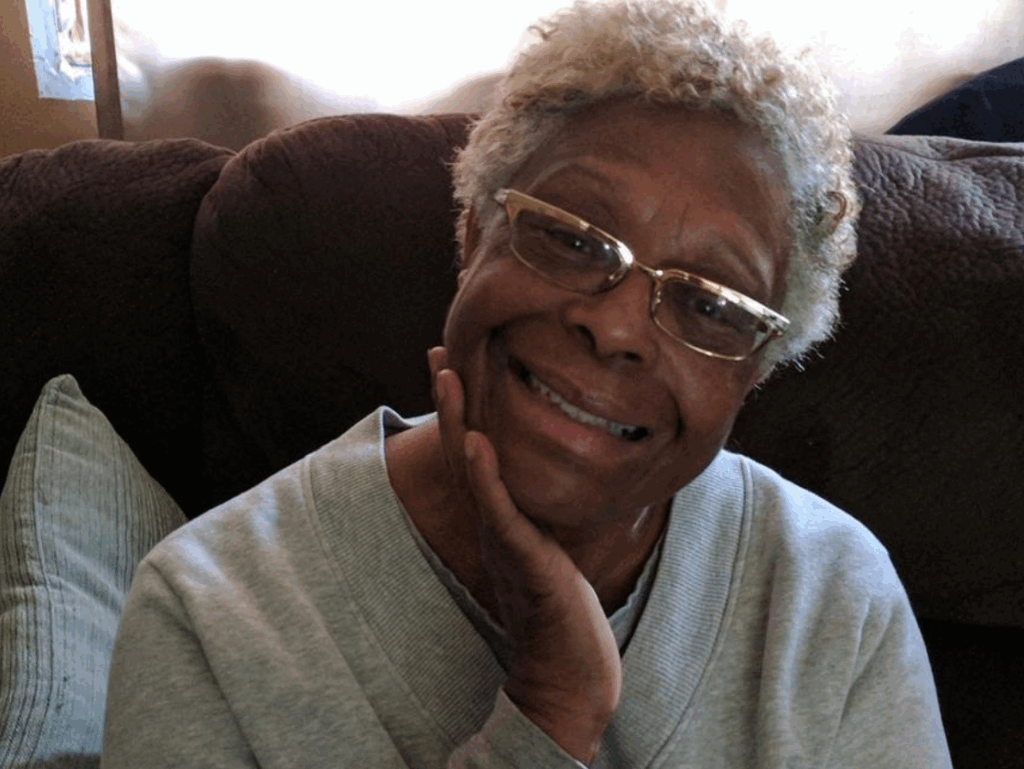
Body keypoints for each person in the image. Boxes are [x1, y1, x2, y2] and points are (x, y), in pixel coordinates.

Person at [101, 1, 952, 767]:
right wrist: (552, 711)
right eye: (573, 238)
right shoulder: (206, 617)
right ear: (474, 232)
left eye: (708, 304)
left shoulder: (834, 600)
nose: (617, 328)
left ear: (754, 371)